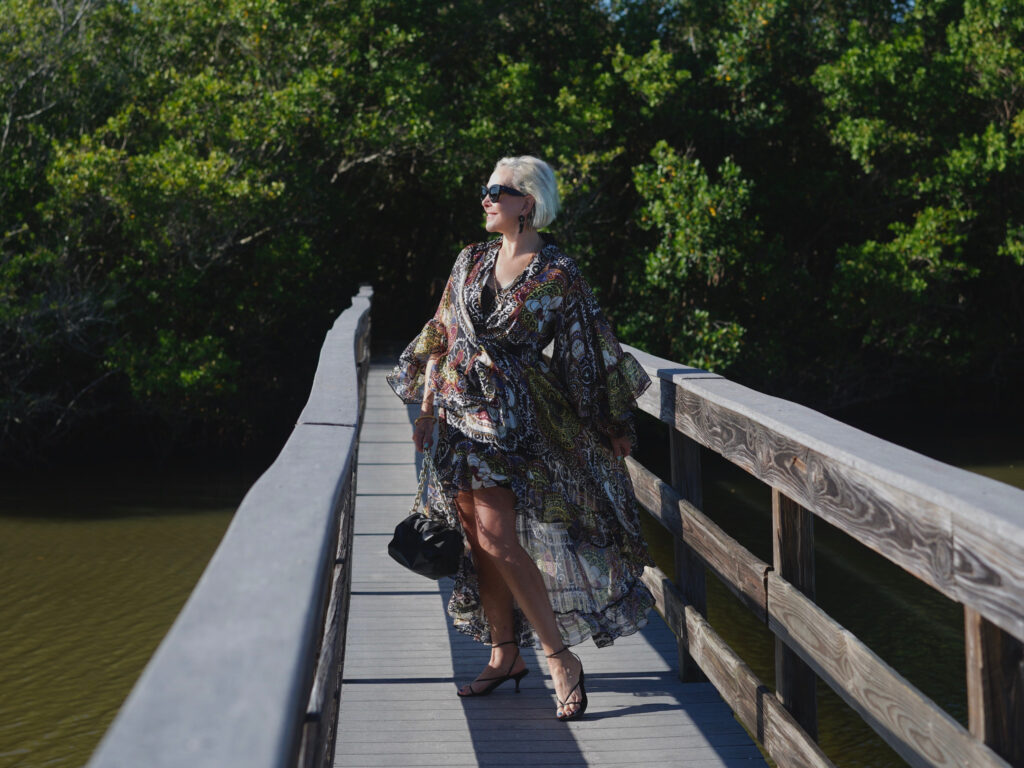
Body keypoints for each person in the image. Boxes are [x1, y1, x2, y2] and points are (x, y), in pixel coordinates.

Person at [387, 155, 654, 721]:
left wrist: (612, 423)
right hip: (459, 420)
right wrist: (428, 408)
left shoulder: (559, 272)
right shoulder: (471, 259)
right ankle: (504, 652)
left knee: (500, 538)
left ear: (527, 202)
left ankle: (560, 660)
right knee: (478, 540)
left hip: (517, 423)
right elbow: (441, 335)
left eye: (497, 191)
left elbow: (589, 347)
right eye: (485, 190)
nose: (485, 199)